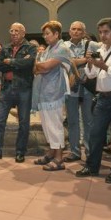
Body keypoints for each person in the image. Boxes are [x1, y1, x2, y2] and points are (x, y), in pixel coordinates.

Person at [76, 18, 111, 183]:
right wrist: (89, 64)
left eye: (106, 32)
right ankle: (92, 166)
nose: (102, 35)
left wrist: (104, 66)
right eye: (100, 32)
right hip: (103, 97)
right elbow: (92, 75)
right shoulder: (100, 49)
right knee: (95, 134)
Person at [0, 23, 36, 163]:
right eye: (11, 31)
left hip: (24, 89)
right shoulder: (5, 47)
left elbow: (29, 64)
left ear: (23, 33)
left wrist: (11, 61)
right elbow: (0, 66)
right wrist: (18, 62)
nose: (13, 33)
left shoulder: (30, 47)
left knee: (24, 122)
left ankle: (20, 152)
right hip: (6, 88)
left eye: (16, 31)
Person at [32, 21, 73, 170]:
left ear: (56, 34)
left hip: (55, 92)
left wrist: (39, 65)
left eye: (48, 33)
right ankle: (51, 152)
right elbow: (37, 69)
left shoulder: (62, 48)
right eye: (44, 34)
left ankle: (58, 159)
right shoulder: (49, 49)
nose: (45, 36)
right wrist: (39, 66)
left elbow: (45, 67)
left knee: (55, 126)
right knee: (47, 126)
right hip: (44, 91)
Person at [63, 21, 99, 162]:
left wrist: (75, 62)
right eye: (73, 29)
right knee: (72, 121)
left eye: (79, 29)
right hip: (70, 87)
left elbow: (99, 58)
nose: (76, 31)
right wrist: (85, 59)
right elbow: (65, 61)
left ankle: (90, 152)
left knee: (89, 121)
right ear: (69, 30)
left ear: (84, 32)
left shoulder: (93, 45)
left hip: (88, 87)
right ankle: (74, 152)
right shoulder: (63, 46)